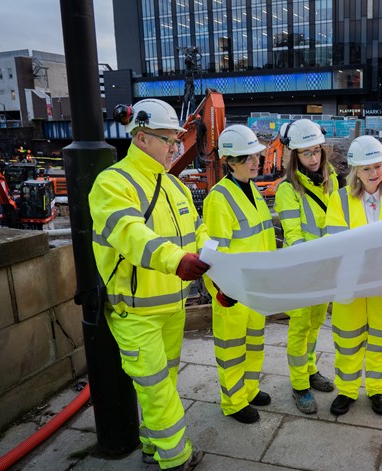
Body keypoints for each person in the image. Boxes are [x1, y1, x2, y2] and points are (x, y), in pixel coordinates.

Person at [89, 99, 208, 470]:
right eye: (169, 140)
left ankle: (152, 447)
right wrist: (177, 260)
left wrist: (222, 262)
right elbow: (131, 234)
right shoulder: (112, 183)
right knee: (157, 389)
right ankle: (177, 460)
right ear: (141, 138)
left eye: (177, 139)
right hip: (135, 312)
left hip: (172, 307)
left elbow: (196, 233)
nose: (176, 147)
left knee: (162, 384)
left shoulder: (175, 187)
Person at [324, 135, 382, 416]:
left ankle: (376, 389)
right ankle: (347, 390)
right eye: (367, 168)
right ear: (355, 171)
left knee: (380, 339)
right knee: (347, 340)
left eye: (378, 167)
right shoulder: (339, 199)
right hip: (350, 282)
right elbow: (336, 243)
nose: (374, 174)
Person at [202, 124, 277, 424]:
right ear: (230, 162)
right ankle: (234, 401)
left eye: (256, 156)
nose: (256, 161)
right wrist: (220, 290)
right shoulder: (219, 198)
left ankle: (249, 388)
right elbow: (214, 253)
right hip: (231, 291)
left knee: (254, 341)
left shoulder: (252, 191)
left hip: (255, 286)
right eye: (249, 158)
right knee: (232, 347)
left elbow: (263, 237)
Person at [274, 119, 339, 414]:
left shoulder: (332, 179)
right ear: (294, 156)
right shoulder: (288, 190)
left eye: (317, 151)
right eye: (306, 153)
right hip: (302, 271)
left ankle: (310, 369)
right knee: (300, 328)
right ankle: (300, 385)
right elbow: (293, 234)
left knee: (314, 325)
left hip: (325, 269)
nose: (313, 159)